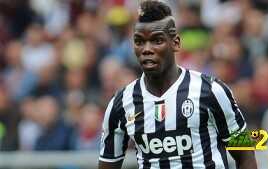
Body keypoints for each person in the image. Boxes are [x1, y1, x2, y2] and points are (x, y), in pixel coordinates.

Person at [98, 1, 257, 169]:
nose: (146, 49)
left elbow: (245, 154)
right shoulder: (121, 103)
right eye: (139, 42)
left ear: (175, 43)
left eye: (156, 40)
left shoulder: (211, 91)